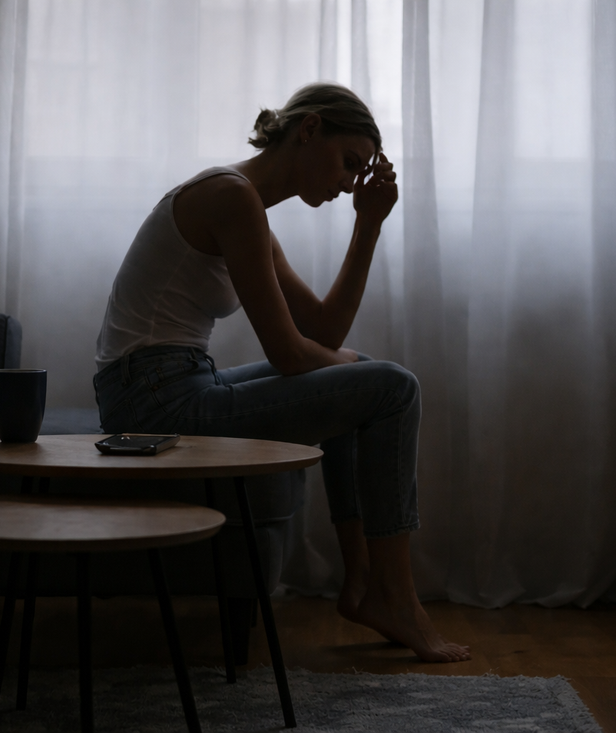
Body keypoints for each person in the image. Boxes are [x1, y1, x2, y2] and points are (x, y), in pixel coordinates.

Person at [92, 82, 470, 663]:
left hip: (179, 381)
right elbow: (294, 354)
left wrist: (367, 225)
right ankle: (394, 596)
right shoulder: (229, 196)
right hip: (151, 403)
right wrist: (338, 362)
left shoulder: (249, 212)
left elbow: (322, 333)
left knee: (367, 377)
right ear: (310, 128)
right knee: (393, 386)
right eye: (349, 163)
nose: (349, 183)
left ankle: (366, 587)